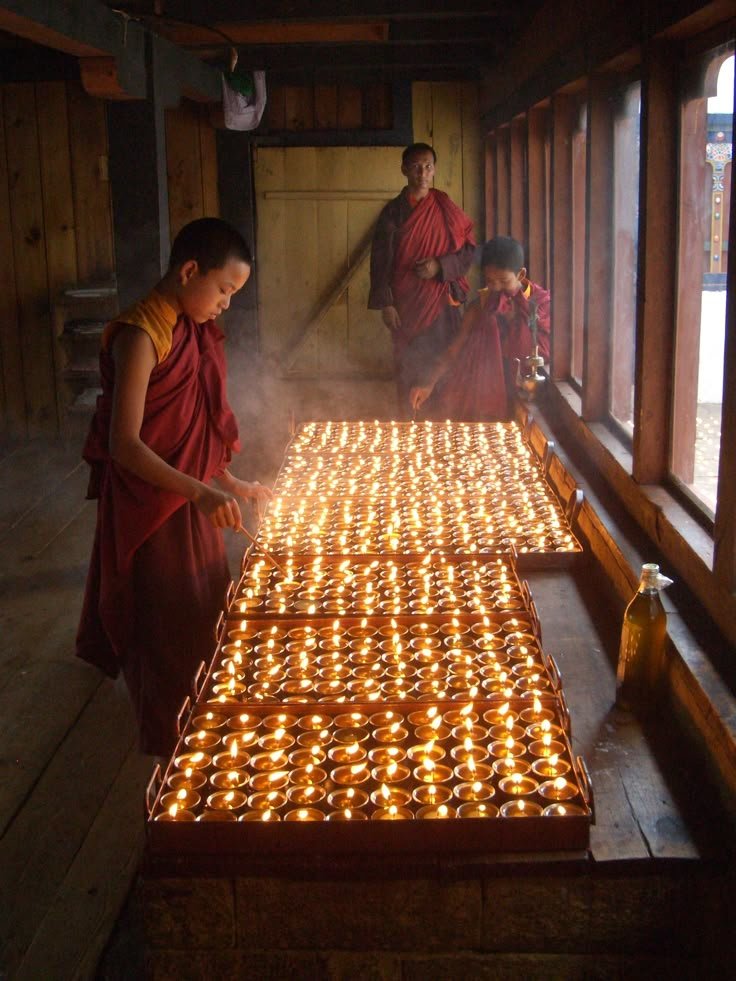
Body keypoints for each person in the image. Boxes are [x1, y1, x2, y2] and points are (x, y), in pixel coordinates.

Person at [76, 218, 271, 756]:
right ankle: (170, 746)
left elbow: (195, 429)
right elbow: (127, 445)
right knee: (164, 624)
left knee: (203, 606)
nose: (227, 304)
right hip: (151, 508)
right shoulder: (143, 335)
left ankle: (202, 718)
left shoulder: (189, 327)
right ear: (190, 271)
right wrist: (200, 492)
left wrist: (229, 481)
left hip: (188, 500)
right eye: (225, 289)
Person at [368, 142, 476, 418]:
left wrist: (440, 265)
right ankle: (408, 433)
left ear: (434, 170)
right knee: (408, 370)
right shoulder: (393, 212)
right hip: (405, 306)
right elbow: (380, 261)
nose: (422, 173)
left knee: (442, 369)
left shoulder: (444, 207)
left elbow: (468, 250)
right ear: (405, 170)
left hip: (440, 302)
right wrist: (386, 304)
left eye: (428, 166)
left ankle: (441, 434)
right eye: (415, 167)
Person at [409, 235, 550, 420]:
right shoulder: (481, 306)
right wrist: (429, 383)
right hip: (486, 393)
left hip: (529, 392)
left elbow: (547, 349)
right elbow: (454, 350)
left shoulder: (540, 304)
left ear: (521, 275)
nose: (497, 287)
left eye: (504, 281)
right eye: (490, 281)